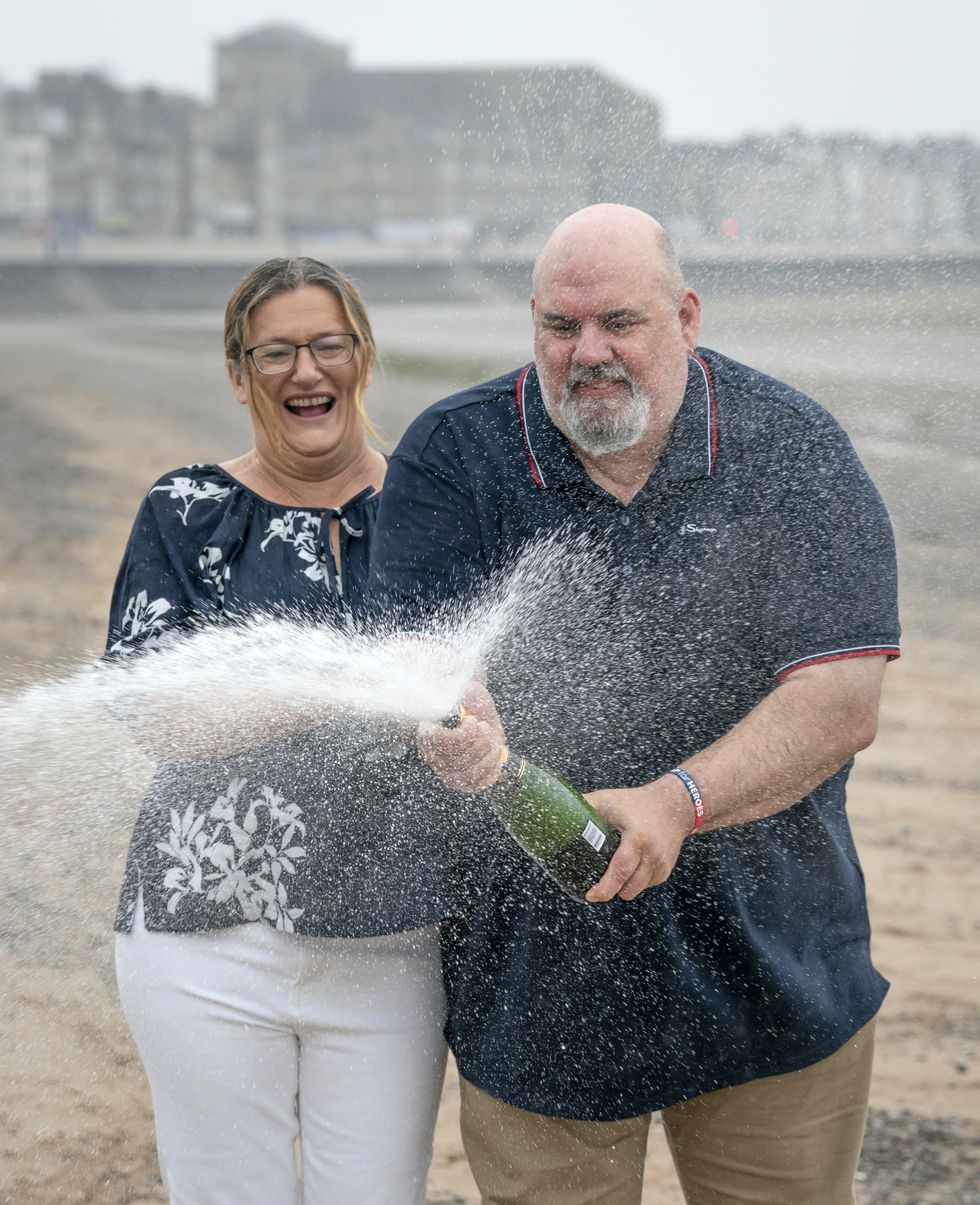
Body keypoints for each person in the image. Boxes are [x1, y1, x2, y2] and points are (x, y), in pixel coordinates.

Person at [369, 205, 901, 1205]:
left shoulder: (789, 447)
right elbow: (415, 644)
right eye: (559, 326)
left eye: (621, 321)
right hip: (534, 987)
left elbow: (840, 700)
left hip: (774, 973)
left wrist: (677, 801)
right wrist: (442, 705)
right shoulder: (456, 450)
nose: (589, 352)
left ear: (685, 316)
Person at [109, 257, 451, 1205]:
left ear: (362, 357)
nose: (306, 370)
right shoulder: (187, 512)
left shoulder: (431, 511)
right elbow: (158, 711)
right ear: (238, 373)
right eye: (275, 353)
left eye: (328, 344)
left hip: (392, 938)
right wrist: (347, 686)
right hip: (205, 938)